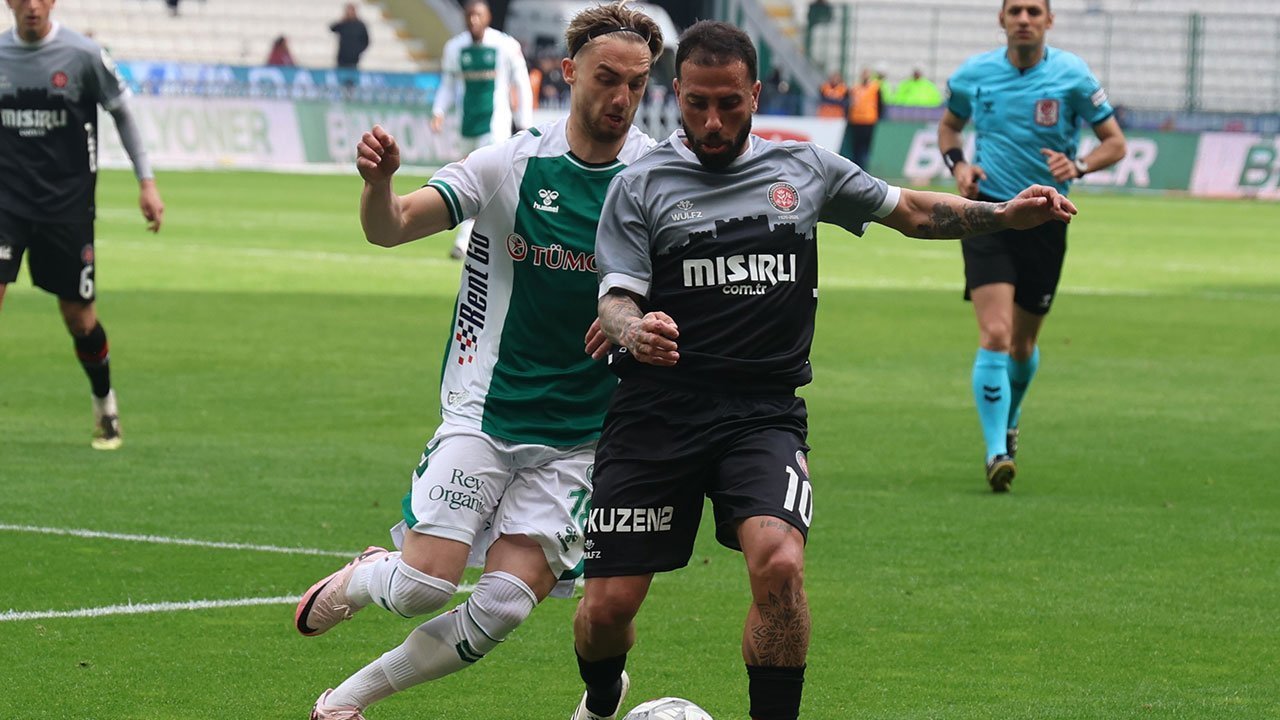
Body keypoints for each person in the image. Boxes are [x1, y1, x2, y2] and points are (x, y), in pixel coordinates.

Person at [570, 20, 1078, 720]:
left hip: (762, 413)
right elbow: (616, 298)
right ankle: (603, 699)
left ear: (756, 94)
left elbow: (911, 210)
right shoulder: (641, 184)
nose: (713, 122)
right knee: (606, 612)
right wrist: (633, 329)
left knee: (780, 567)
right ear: (676, 93)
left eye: (729, 103)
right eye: (697, 104)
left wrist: (1003, 216)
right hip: (657, 411)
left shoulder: (804, 169)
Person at [296, 4, 666, 719]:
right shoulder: (510, 164)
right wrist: (378, 185)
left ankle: (343, 703)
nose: (621, 98)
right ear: (568, 73)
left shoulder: (654, 176)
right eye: (606, 78)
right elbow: (391, 228)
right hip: (486, 411)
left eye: (636, 83)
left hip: (584, 438)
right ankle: (369, 574)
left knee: (501, 606)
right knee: (420, 588)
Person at [937, 0, 1125, 491]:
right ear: (1001, 19)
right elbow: (950, 127)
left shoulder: (1073, 75)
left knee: (1022, 344)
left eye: (1033, 11)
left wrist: (1079, 166)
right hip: (989, 214)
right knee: (996, 334)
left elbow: (1115, 142)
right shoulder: (973, 74)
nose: (1024, 19)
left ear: (1048, 21)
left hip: (1046, 217)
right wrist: (960, 166)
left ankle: (1011, 417)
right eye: (1015, 10)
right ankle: (996, 452)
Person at [0, 0, 165, 450]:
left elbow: (122, 112)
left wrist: (147, 183)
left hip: (65, 207)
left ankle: (104, 404)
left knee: (79, 318)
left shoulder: (83, 55)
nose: (32, 6)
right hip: (6, 203)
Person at [431, 0, 534, 260]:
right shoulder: (455, 47)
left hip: (495, 126)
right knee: (471, 182)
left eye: (478, 15)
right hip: (466, 125)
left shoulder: (505, 45)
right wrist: (439, 111)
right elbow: (448, 83)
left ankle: (464, 241)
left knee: (486, 181)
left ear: (487, 18)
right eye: (469, 15)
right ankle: (491, 237)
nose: (473, 20)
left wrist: (524, 120)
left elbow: (521, 82)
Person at [842, 66, 882, 168]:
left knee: (866, 147)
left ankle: (864, 167)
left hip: (869, 120)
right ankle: (856, 167)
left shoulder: (875, 88)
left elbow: (880, 104)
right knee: (856, 147)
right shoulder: (855, 88)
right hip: (856, 120)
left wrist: (879, 117)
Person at [330, 3, 370, 70]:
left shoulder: (360, 25)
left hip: (354, 57)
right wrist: (342, 20)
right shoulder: (343, 23)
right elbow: (332, 28)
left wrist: (358, 50)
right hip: (342, 56)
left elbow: (366, 40)